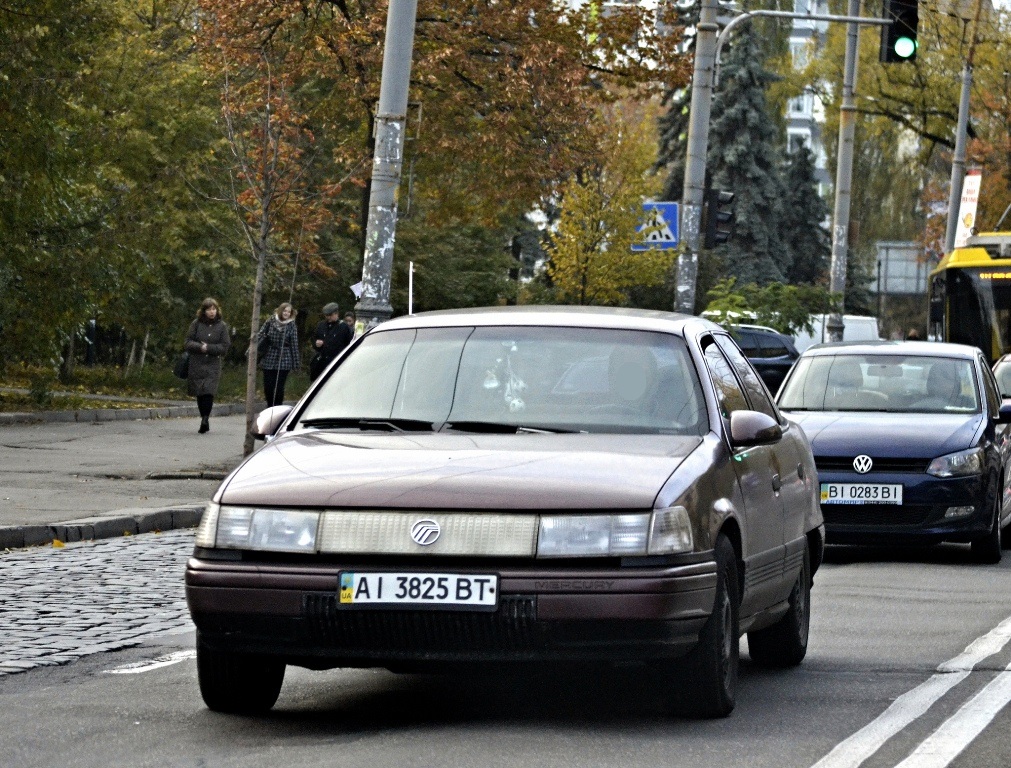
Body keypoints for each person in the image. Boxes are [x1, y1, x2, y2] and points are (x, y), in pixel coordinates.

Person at [184, 298, 231, 434]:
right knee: (200, 392)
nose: (212, 312)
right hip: (197, 363)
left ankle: (205, 418)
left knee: (209, 391)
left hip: (213, 364)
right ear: (204, 311)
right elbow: (187, 342)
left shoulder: (222, 326)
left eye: (214, 309)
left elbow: (225, 346)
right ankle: (203, 416)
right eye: (209, 309)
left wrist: (209, 348)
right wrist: (200, 347)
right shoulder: (196, 324)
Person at [257, 302, 301, 408]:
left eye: (289, 312)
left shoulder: (292, 325)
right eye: (285, 311)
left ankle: (277, 407)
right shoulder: (271, 320)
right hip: (270, 355)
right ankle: (270, 406)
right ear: (281, 311)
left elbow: (294, 344)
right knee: (268, 386)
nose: (286, 313)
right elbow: (260, 335)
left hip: (285, 357)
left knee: (279, 387)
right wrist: (253, 350)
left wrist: (296, 364)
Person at [309, 302, 353, 381]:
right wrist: (316, 343)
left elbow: (348, 344)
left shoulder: (343, 327)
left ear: (336, 314)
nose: (328, 317)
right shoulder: (321, 325)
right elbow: (314, 339)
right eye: (326, 315)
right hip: (321, 362)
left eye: (330, 315)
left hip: (335, 361)